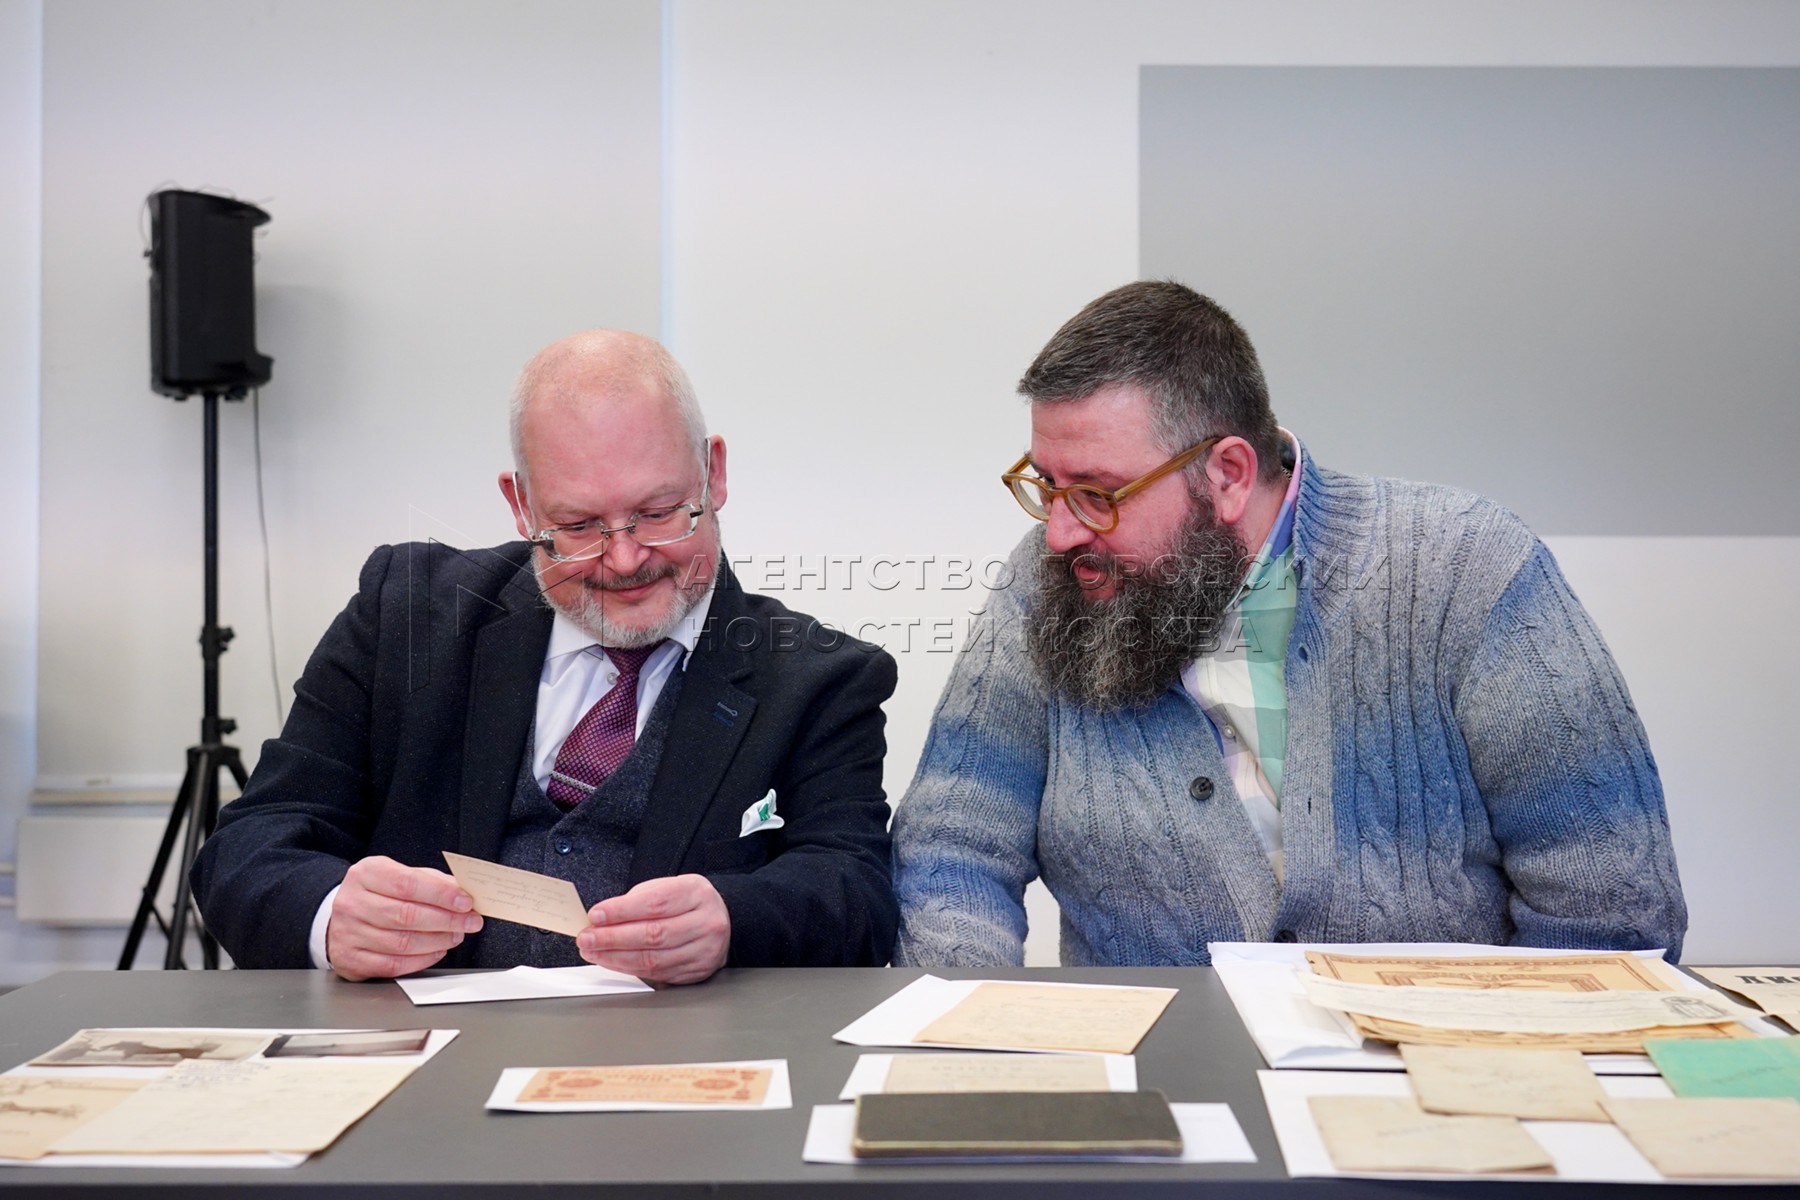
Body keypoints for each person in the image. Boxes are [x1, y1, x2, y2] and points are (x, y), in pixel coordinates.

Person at [892, 281, 1686, 966]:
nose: (1061, 532)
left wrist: (1499, 1069)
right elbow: (953, 850)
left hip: (1432, 1074)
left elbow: (1609, 905)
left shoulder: (1464, 568)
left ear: (1228, 474)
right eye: (1048, 486)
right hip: (1157, 1072)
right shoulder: (1049, 584)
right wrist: (975, 1035)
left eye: (1098, 493)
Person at [194, 330, 899, 982]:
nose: (626, 559)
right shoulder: (404, 615)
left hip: (673, 1057)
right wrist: (330, 917)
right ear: (521, 504)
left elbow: (857, 895)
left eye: (658, 513)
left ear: (712, 475)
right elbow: (250, 844)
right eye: (579, 526)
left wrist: (733, 921)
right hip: (423, 1052)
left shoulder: (818, 676)